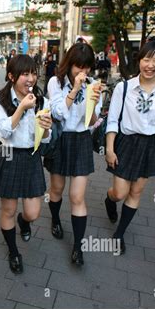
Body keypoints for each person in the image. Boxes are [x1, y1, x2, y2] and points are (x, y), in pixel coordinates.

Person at [104, 36, 155, 254]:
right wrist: (109, 148)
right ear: (139, 61)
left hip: (151, 144)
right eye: (147, 59)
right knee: (119, 192)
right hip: (127, 143)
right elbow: (112, 120)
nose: (151, 65)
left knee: (136, 192)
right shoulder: (124, 88)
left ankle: (119, 234)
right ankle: (109, 201)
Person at [0, 54, 52, 274]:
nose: (30, 78)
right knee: (8, 209)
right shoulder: (0, 100)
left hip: (32, 157)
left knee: (33, 212)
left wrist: (46, 127)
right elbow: (4, 131)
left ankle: (23, 222)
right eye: (25, 74)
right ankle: (13, 252)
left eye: (33, 73)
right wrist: (22, 108)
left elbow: (45, 139)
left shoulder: (42, 100)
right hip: (8, 155)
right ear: (11, 76)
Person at [44, 43, 102, 266]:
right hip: (61, 139)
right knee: (57, 189)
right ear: (69, 64)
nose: (83, 73)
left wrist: (94, 105)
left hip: (80, 141)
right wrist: (76, 88)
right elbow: (58, 113)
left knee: (77, 196)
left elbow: (90, 122)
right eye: (79, 67)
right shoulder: (55, 82)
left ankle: (78, 247)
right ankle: (56, 219)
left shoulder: (93, 85)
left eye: (87, 68)